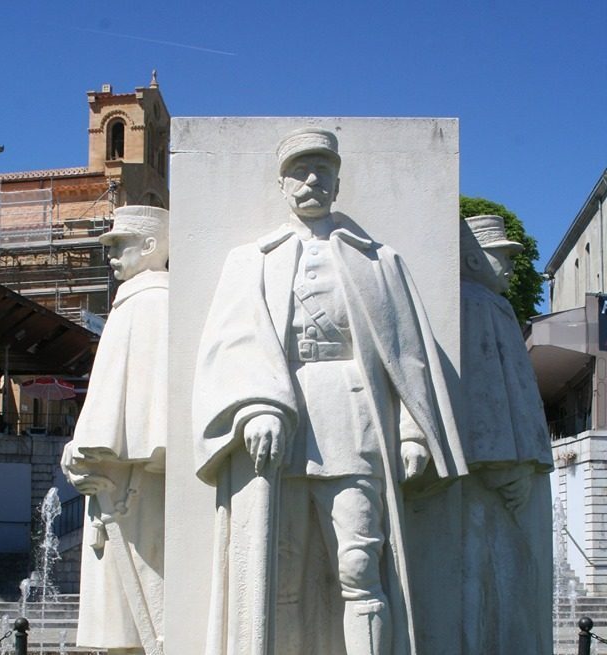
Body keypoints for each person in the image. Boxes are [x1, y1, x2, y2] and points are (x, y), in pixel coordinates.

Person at [193, 128, 466, 654]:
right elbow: (230, 344)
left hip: (355, 419)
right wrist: (253, 408)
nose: (312, 180)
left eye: (323, 170)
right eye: (299, 170)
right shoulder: (251, 260)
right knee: (280, 574)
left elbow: (405, 354)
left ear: (339, 182)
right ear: (282, 184)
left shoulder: (379, 261)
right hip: (279, 427)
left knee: (361, 567)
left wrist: (412, 432)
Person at [61, 205, 169, 655]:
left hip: (129, 482)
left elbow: (150, 408)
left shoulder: (152, 302)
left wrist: (87, 449)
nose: (111, 257)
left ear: (149, 246)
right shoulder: (134, 301)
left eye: (119, 245)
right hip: (114, 478)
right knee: (121, 615)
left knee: (136, 613)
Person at [459, 215, 553, 655]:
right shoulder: (474, 305)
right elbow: (483, 394)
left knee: (515, 579)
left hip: (515, 467)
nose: (511, 266)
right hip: (501, 472)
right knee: (501, 578)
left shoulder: (490, 304)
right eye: (502, 256)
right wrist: (500, 462)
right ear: (473, 258)